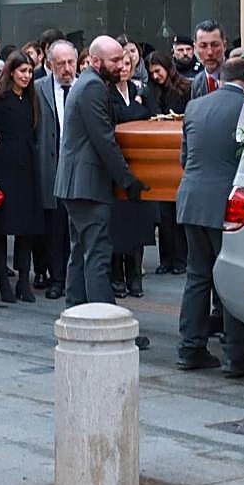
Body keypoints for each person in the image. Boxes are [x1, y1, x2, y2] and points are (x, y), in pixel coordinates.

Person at [54, 36, 150, 348]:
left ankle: (75, 314)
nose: (122, 65)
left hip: (75, 182)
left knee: (81, 251)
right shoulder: (93, 86)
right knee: (96, 252)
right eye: (115, 60)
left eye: (123, 58)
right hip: (87, 183)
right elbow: (104, 140)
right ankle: (105, 324)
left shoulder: (87, 84)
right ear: (96, 62)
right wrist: (128, 180)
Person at [175, 57, 244, 377]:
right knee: (230, 277)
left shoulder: (195, 107)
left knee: (197, 276)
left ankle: (190, 347)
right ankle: (235, 356)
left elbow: (185, 157)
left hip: (191, 198)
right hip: (227, 202)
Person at [0, 50, 45, 303]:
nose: (27, 76)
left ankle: (23, 280)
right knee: (0, 227)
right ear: (11, 72)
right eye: (22, 71)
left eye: (29, 71)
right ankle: (4, 282)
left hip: (26, 167)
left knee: (26, 228)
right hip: (2, 168)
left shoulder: (30, 99)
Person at [109, 53, 158, 299]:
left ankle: (135, 277)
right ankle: (117, 276)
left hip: (141, 165)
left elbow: (153, 115)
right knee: (118, 223)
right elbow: (118, 116)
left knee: (139, 222)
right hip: (117, 165)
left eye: (128, 64)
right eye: (119, 64)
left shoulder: (142, 90)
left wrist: (138, 104)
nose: (124, 69)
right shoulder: (107, 92)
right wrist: (137, 109)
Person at [34, 39, 77, 300]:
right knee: (54, 227)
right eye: (60, 63)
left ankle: (74, 279)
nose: (66, 68)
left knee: (75, 227)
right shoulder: (39, 89)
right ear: (50, 64)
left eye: (70, 62)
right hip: (50, 166)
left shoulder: (87, 86)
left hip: (78, 169)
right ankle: (56, 278)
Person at [145, 52, 191, 277]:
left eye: (158, 71)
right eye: (152, 72)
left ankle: (181, 258)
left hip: (178, 151)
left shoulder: (184, 87)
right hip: (160, 153)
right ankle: (166, 259)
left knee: (177, 211)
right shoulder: (151, 90)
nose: (155, 76)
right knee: (163, 214)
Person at [190, 20, 227, 99]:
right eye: (203, 46)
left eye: (215, 45)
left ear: (224, 46)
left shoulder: (240, 79)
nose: (210, 52)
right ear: (195, 48)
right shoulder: (197, 82)